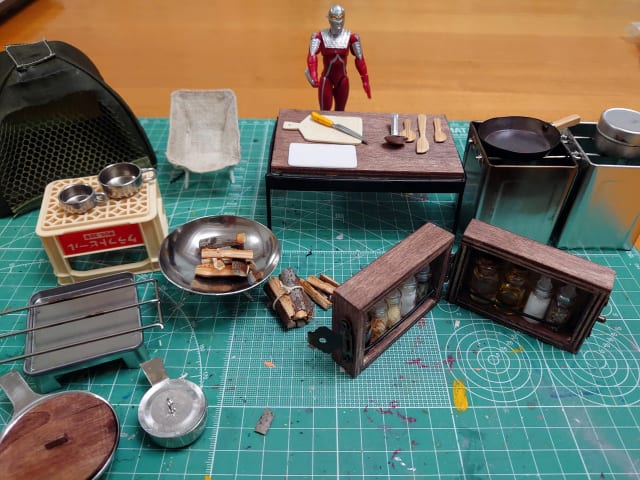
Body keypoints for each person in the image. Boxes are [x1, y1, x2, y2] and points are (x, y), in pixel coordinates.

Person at [305, 5, 372, 111]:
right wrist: (313, 76)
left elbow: (360, 59)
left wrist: (365, 80)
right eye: (336, 18)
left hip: (342, 80)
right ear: (330, 19)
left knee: (340, 111)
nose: (339, 22)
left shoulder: (351, 37)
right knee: (325, 111)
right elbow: (312, 56)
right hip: (327, 79)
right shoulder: (320, 36)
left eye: (341, 17)